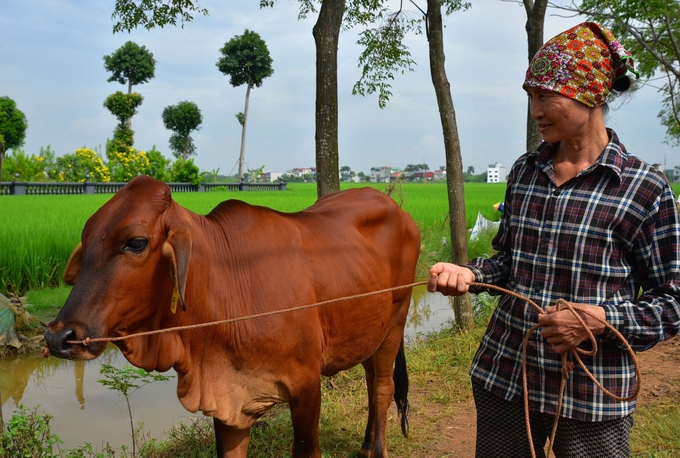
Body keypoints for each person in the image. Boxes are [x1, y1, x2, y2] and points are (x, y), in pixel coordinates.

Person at [428, 22, 680, 457]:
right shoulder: (526, 171)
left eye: (547, 96)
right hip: (506, 375)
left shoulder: (645, 187)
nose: (536, 110)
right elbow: (508, 262)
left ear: (593, 95)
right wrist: (468, 271)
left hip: (590, 393)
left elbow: (673, 300)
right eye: (530, 97)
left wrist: (602, 321)